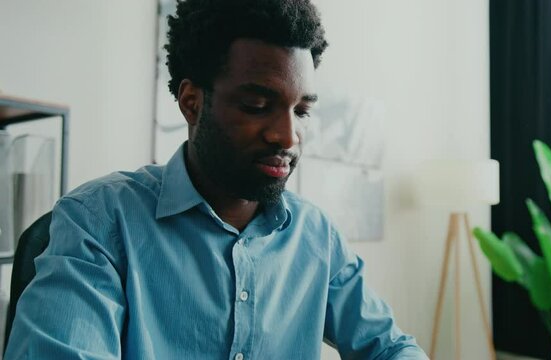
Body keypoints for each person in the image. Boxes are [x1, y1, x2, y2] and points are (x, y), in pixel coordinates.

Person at [5, 0, 428, 359]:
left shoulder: (316, 235)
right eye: (258, 104)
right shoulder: (97, 222)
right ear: (192, 102)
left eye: (301, 111)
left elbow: (390, 347)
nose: (288, 136)